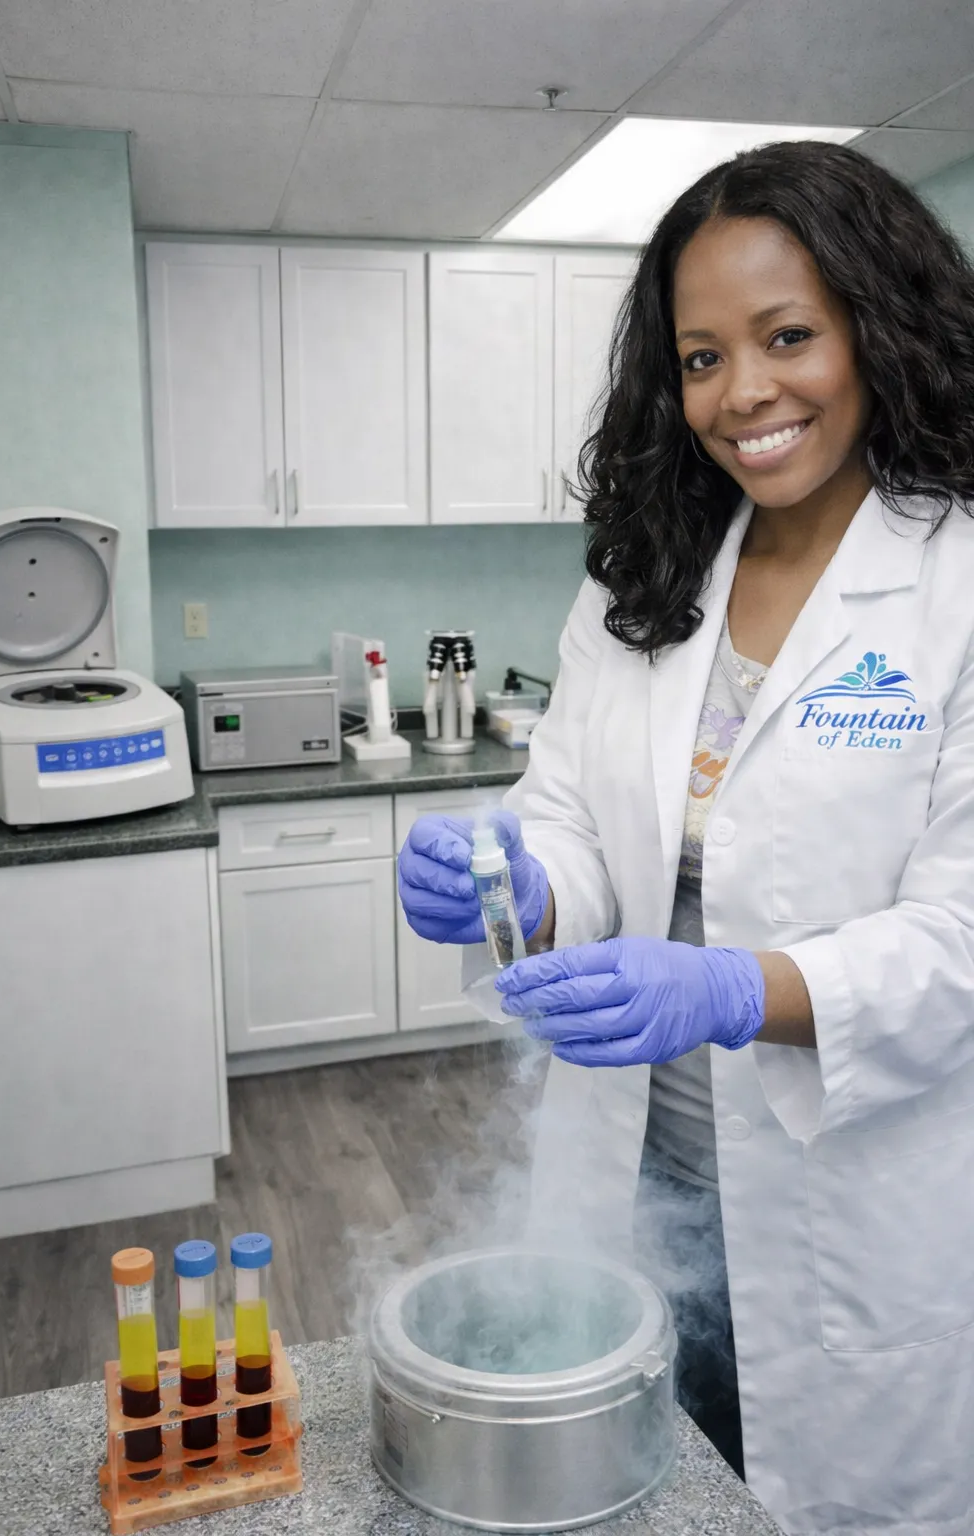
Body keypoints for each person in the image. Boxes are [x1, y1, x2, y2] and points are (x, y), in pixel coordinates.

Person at [396, 139, 974, 1536]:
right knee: (649, 1489)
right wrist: (518, 886)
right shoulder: (644, 579)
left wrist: (736, 988)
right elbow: (571, 819)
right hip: (633, 1174)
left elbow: (962, 937)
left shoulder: (955, 584)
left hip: (857, 1197)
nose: (744, 392)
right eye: (702, 358)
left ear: (881, 328)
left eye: (788, 337)